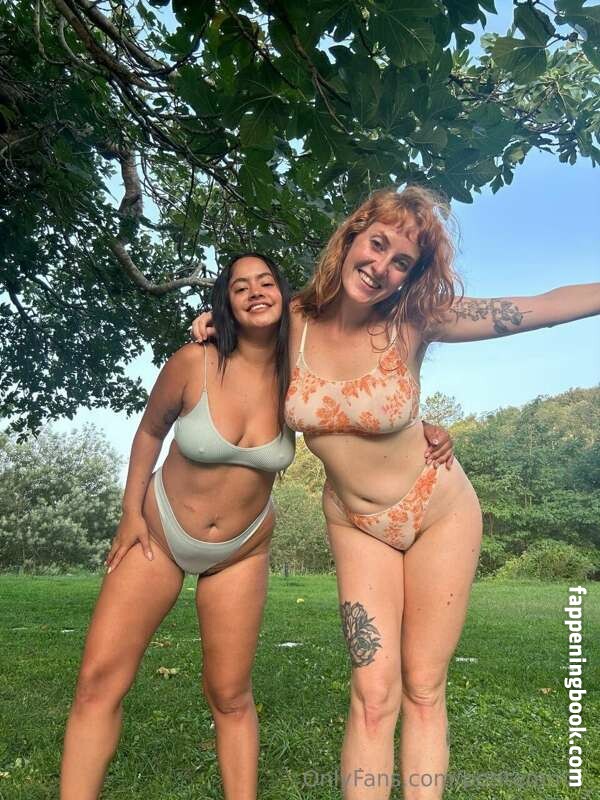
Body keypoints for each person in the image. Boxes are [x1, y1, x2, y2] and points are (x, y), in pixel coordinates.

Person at [193, 186, 599, 799]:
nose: (381, 266)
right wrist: (210, 324)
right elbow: (237, 328)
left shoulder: (414, 321)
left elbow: (538, 306)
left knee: (424, 687)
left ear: (412, 275)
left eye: (401, 261)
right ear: (352, 236)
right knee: (372, 692)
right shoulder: (291, 320)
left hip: (438, 509)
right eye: (377, 244)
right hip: (356, 522)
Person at [60, 249, 456, 800]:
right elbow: (149, 432)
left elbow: (363, 406)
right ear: (225, 302)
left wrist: (424, 429)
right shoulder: (192, 361)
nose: (254, 292)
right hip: (160, 534)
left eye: (265, 282)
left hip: (241, 551)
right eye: (239, 286)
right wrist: (130, 513)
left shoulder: (298, 375)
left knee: (230, 695)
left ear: (284, 294)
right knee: (98, 683)